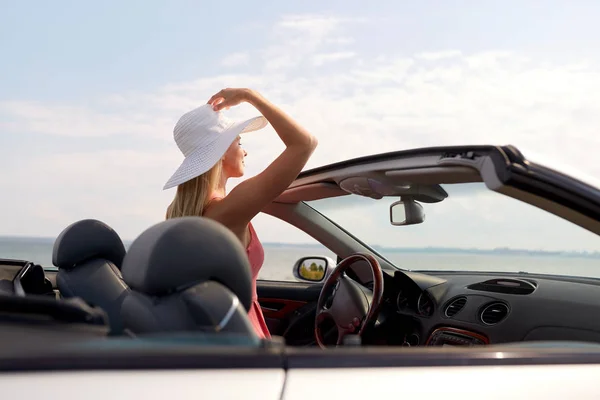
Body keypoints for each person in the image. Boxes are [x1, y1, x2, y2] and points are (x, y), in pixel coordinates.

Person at [163, 88, 318, 339]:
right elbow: (304, 143)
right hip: (242, 334)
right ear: (223, 151)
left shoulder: (178, 213)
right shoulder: (228, 211)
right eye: (239, 142)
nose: (244, 151)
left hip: (216, 333)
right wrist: (249, 95)